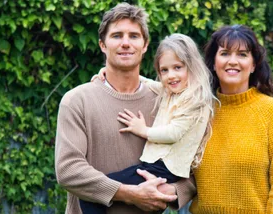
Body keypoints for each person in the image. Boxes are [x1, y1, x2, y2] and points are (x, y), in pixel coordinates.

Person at [54, 3, 196, 214]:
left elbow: (192, 166)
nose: (126, 43)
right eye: (117, 36)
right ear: (103, 44)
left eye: (134, 36)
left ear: (145, 45)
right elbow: (68, 170)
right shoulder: (77, 101)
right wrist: (131, 194)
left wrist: (171, 190)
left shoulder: (168, 100)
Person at [80, 33, 215, 214]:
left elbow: (174, 133)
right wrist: (108, 73)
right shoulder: (172, 91)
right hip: (154, 166)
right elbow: (148, 82)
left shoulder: (195, 100)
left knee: (94, 194)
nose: (171, 76)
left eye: (177, 67)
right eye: (164, 70)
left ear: (192, 67)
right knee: (105, 196)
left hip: (163, 168)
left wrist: (143, 130)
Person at [189, 25, 273, 213]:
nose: (233, 61)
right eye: (224, 53)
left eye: (242, 54)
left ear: (253, 64)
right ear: (214, 63)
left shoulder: (272, 112)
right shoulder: (199, 111)